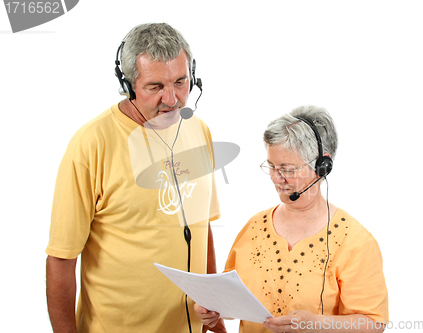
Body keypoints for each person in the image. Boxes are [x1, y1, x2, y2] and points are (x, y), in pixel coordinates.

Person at [46, 23, 226, 333]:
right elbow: (61, 259)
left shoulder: (199, 130)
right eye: (155, 87)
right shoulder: (90, 145)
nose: (172, 98)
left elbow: (201, 227)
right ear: (128, 84)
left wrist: (215, 317)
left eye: (181, 82)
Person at [195, 105, 388, 333]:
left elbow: (374, 323)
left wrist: (317, 324)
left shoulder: (354, 241)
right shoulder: (254, 228)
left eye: (287, 169)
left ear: (321, 167)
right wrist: (211, 312)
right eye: (272, 167)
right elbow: (228, 299)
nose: (277, 179)